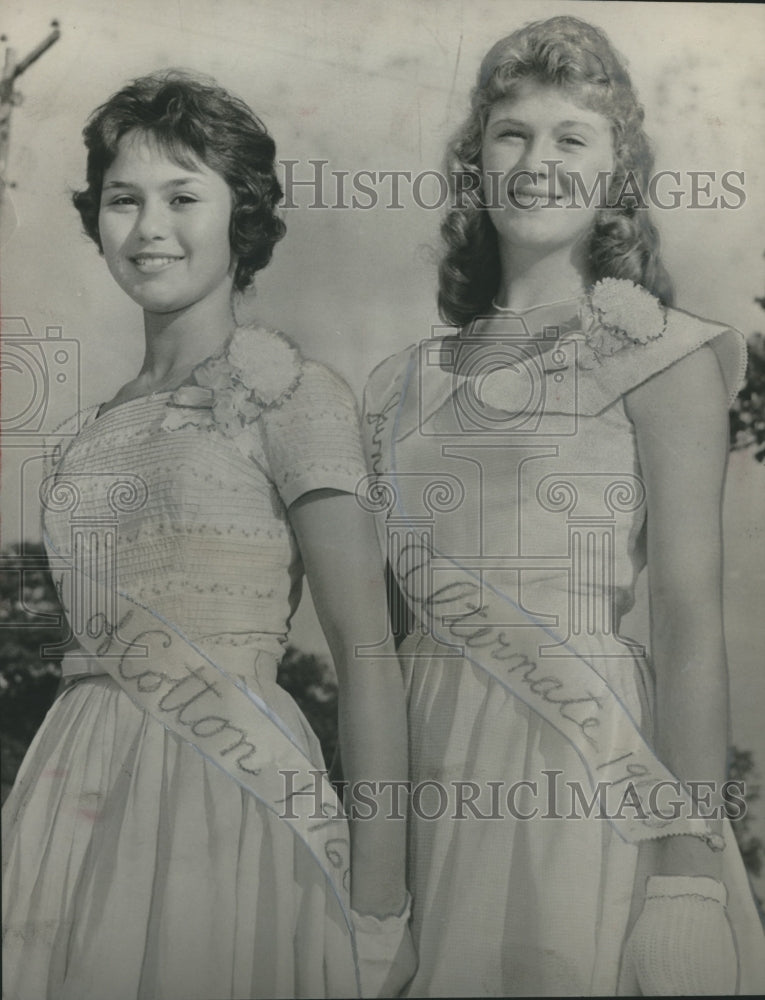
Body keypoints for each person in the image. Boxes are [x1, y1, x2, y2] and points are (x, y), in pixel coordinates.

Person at [362, 16, 765, 997]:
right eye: (512, 134)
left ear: (614, 170)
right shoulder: (397, 383)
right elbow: (383, 639)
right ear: (478, 160)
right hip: (425, 772)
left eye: (570, 137)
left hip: (586, 775)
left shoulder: (665, 356)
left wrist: (683, 866)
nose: (537, 161)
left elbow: (688, 619)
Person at [2, 70, 414, 1000]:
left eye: (183, 197)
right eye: (123, 199)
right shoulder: (89, 430)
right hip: (76, 786)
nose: (150, 228)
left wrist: (381, 906)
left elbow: (368, 652)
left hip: (231, 790)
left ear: (244, 216)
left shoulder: (294, 395)